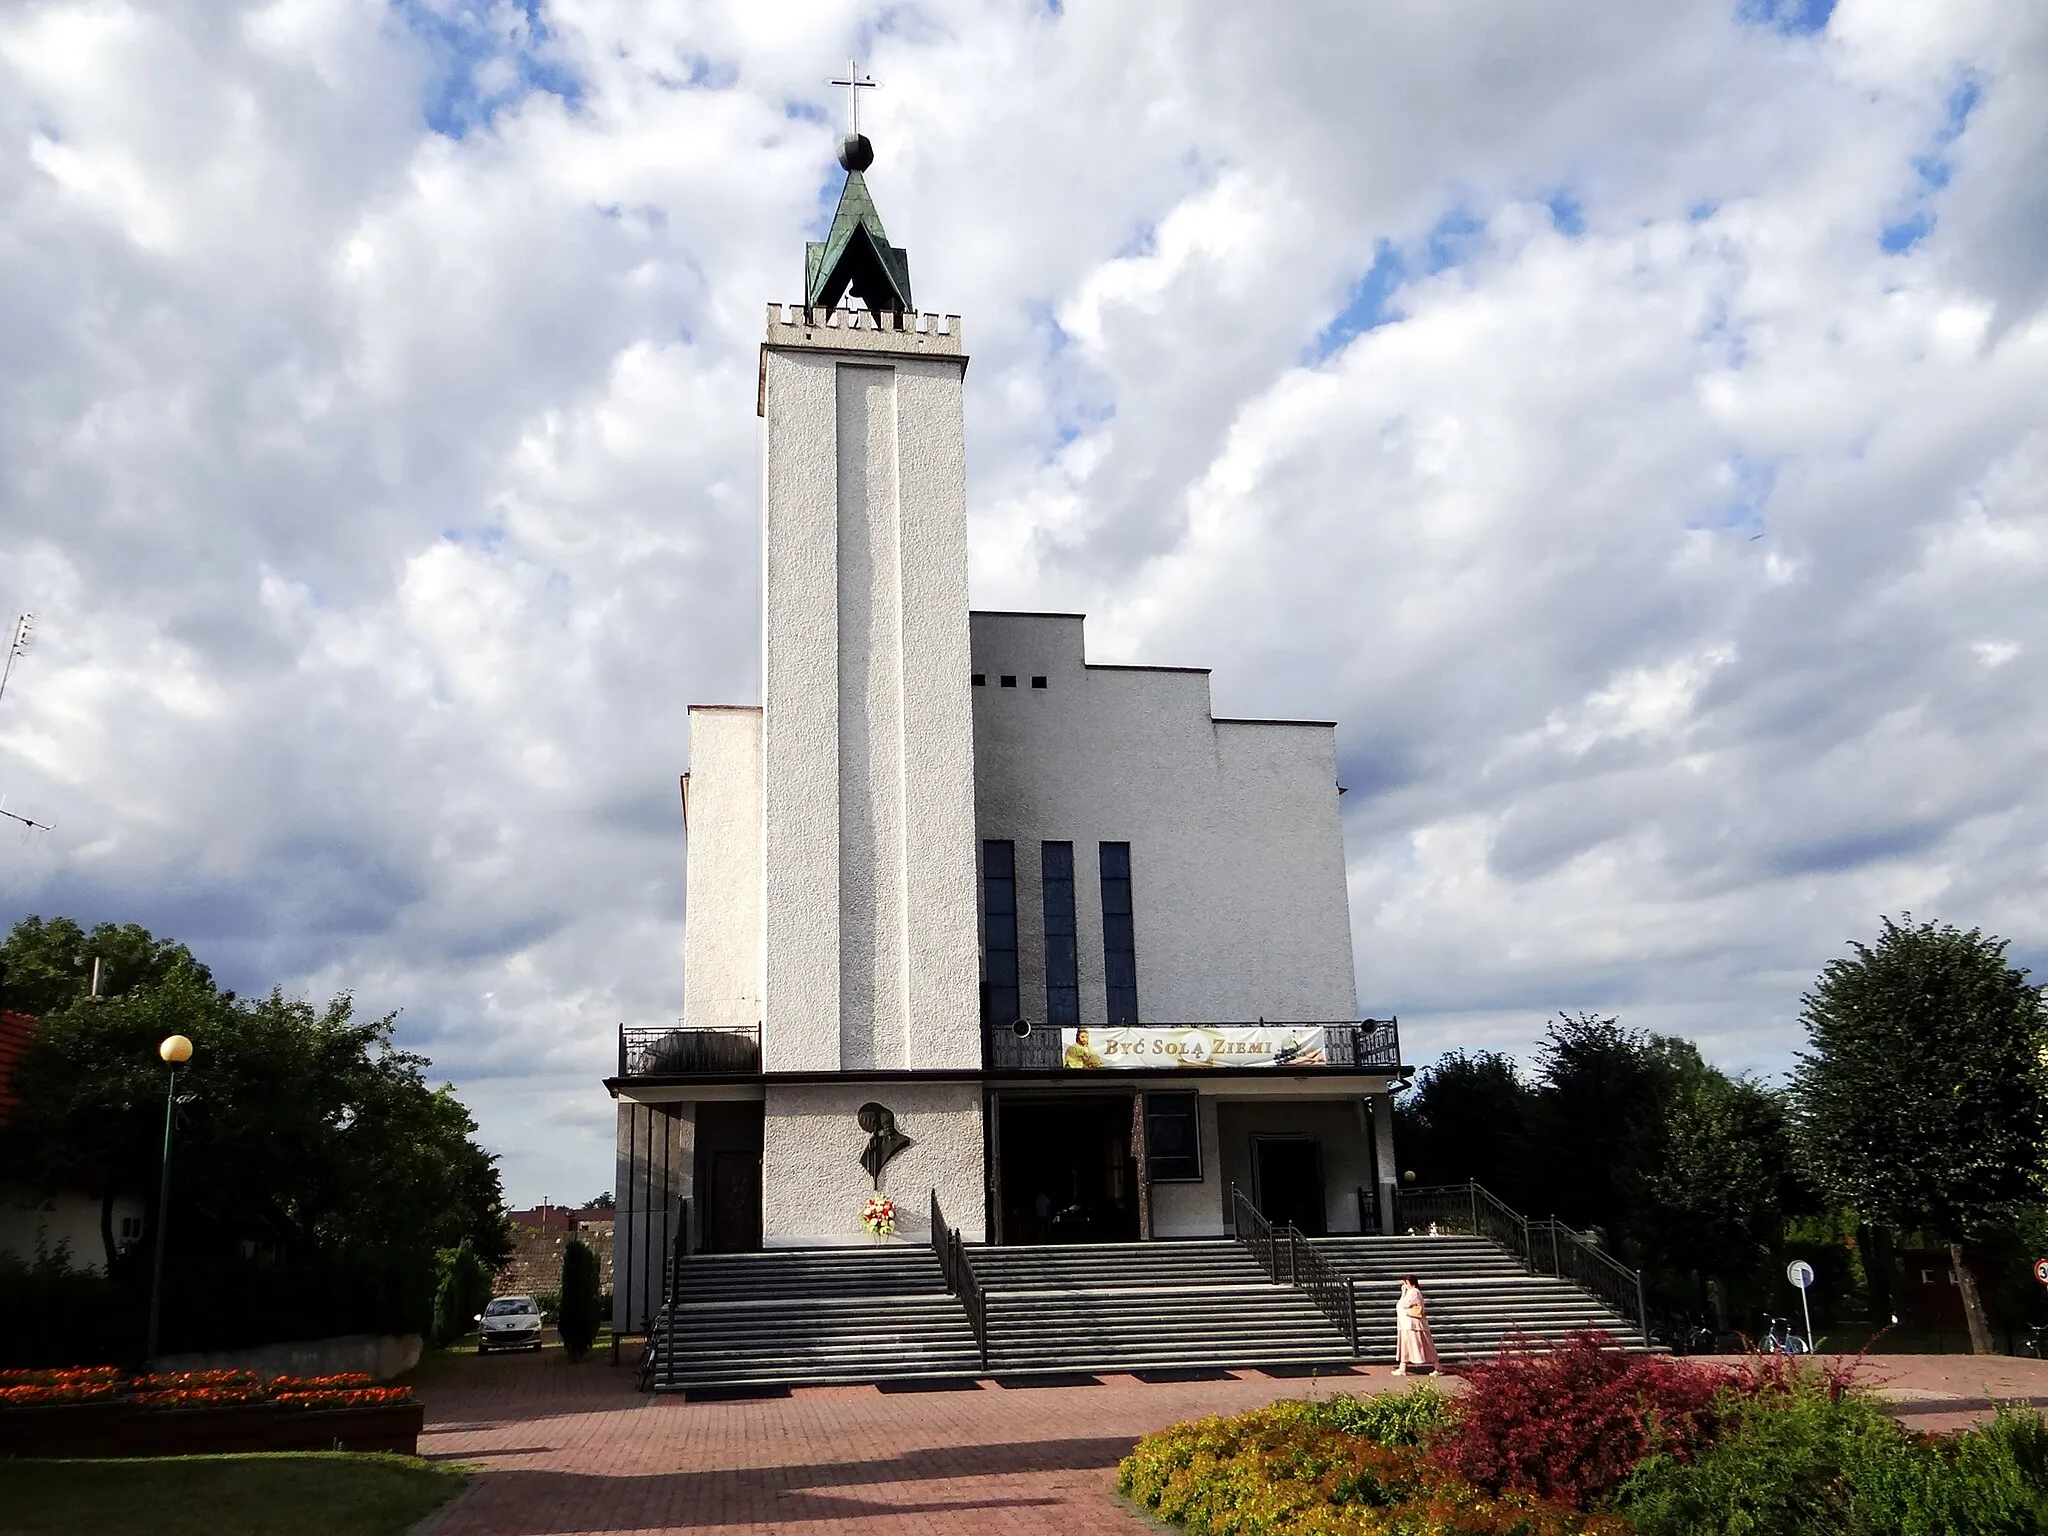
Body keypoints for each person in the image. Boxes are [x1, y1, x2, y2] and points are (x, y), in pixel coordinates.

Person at [1393, 1274, 1438, 1376]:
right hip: (1407, 1325)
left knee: (1423, 1345)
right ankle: (1402, 1367)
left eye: (1404, 1283)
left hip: (1413, 1325)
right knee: (1406, 1346)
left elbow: (1403, 1304)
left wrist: (1403, 1292)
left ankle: (1438, 1367)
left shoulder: (1414, 1293)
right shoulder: (1412, 1292)